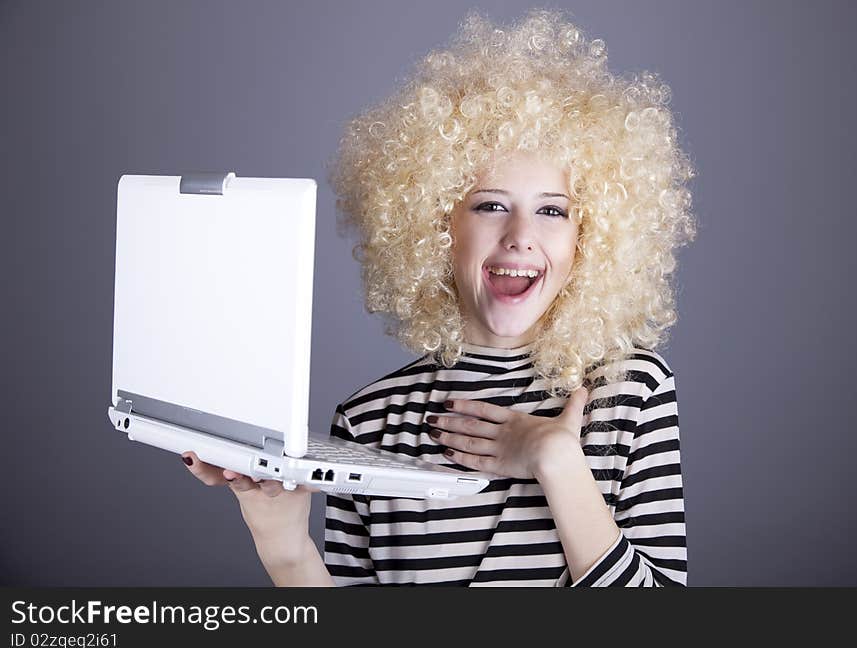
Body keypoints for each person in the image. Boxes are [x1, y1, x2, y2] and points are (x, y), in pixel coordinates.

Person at [183, 8, 697, 587]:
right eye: (490, 204)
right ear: (435, 224)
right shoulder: (369, 422)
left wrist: (558, 463)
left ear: (590, 238)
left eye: (553, 210)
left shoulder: (628, 393)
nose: (521, 235)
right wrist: (282, 546)